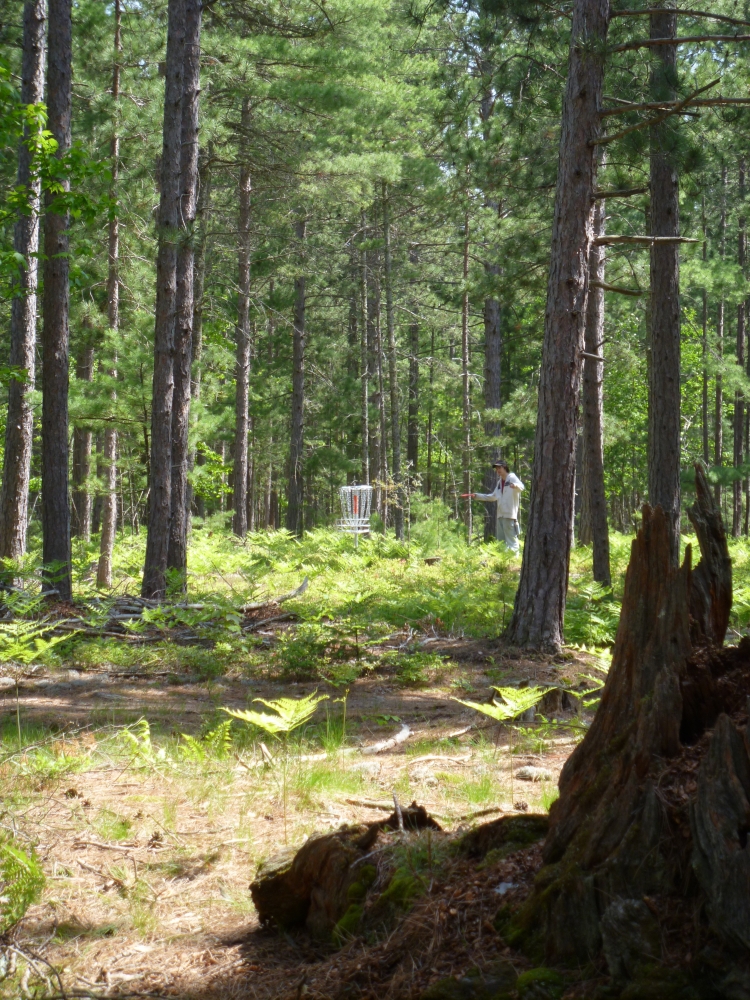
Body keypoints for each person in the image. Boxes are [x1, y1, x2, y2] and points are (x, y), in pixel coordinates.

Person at [471, 461, 525, 552]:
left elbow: (521, 487)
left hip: (509, 515)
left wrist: (515, 485)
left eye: (499, 468)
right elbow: (493, 497)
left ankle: (514, 560)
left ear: (505, 467)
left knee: (511, 540)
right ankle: (503, 563)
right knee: (501, 541)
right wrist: (477, 496)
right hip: (500, 515)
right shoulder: (500, 482)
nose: (498, 470)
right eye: (496, 468)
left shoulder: (512, 477)